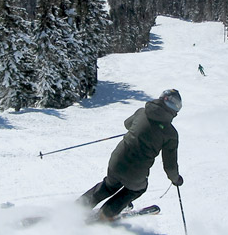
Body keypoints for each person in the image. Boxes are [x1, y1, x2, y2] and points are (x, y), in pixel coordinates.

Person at [78, 89, 184, 221]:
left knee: (109, 185)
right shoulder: (170, 134)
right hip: (136, 172)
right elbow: (170, 166)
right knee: (136, 189)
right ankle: (106, 213)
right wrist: (176, 179)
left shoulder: (142, 112)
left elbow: (127, 124)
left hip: (117, 161)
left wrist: (139, 129)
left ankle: (77, 208)